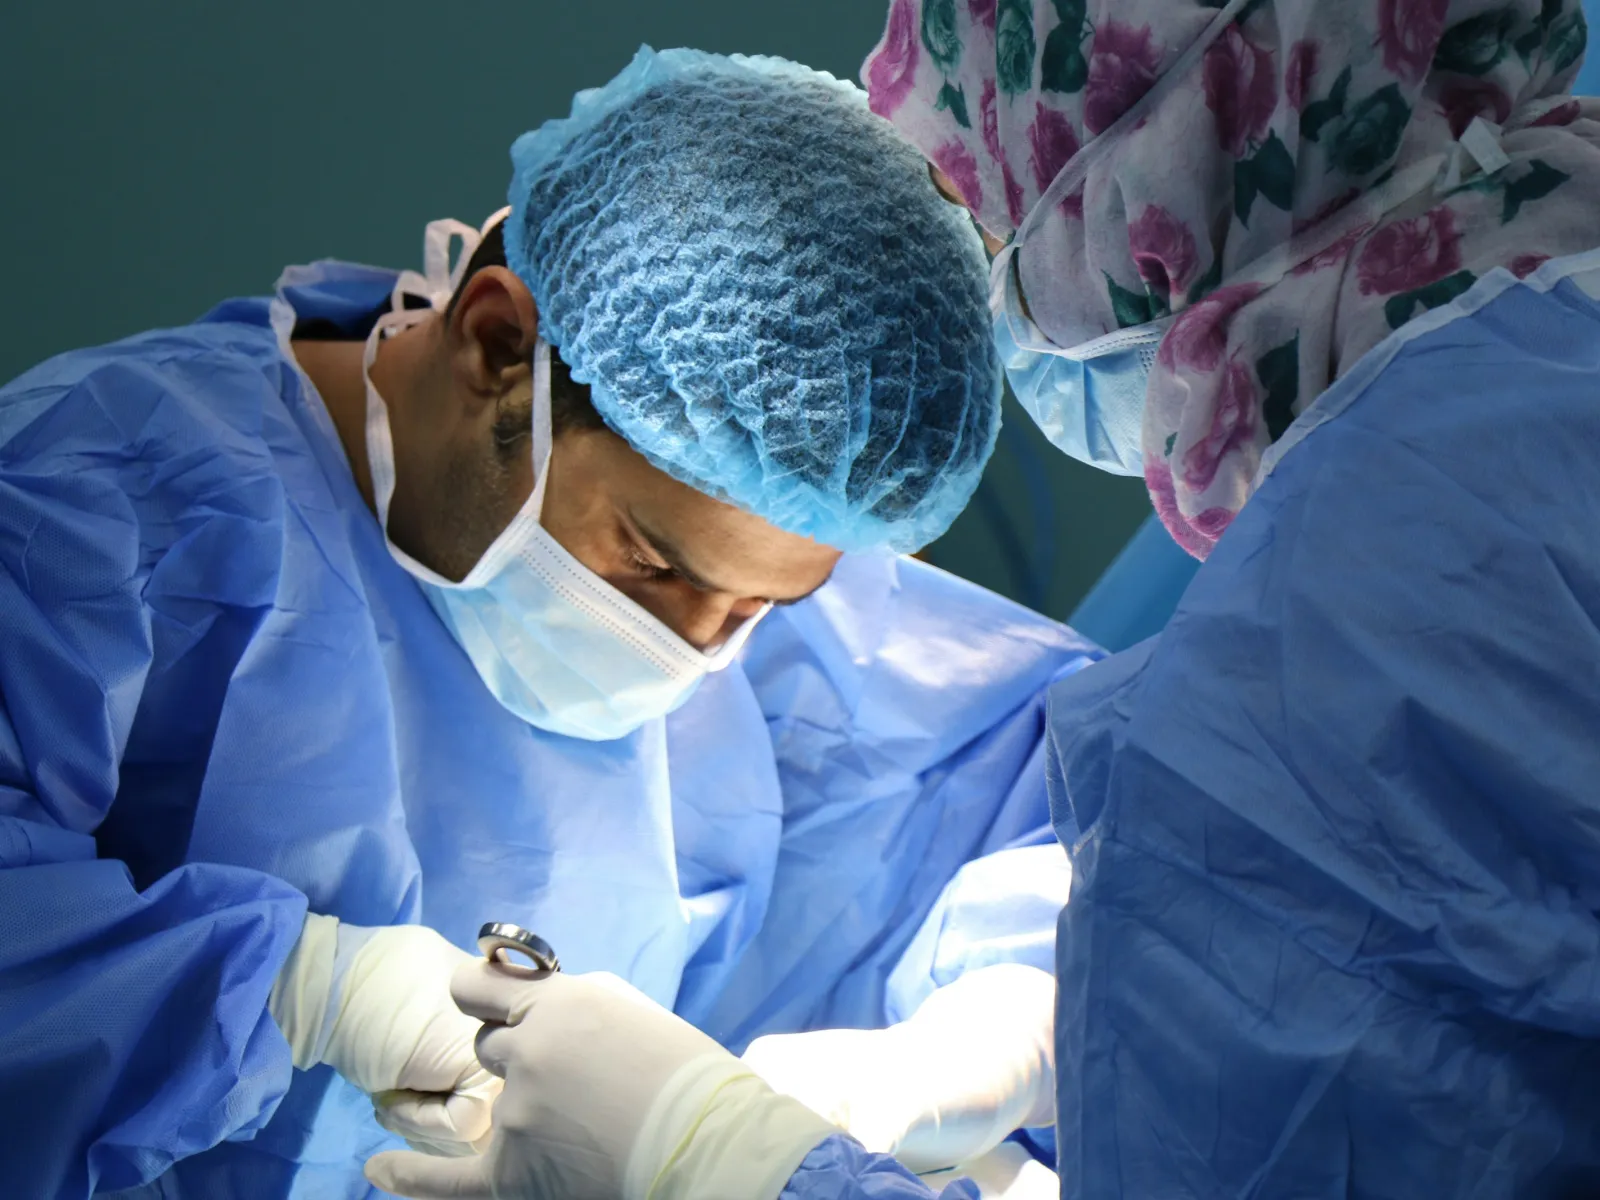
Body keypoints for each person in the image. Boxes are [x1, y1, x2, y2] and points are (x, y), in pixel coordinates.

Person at [371, 2, 1600, 1198]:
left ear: (1137, 225)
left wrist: (722, 1157)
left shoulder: (1383, 579)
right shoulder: (1525, 404)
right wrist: (1037, 1019)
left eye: (990, 227)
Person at [0, 47, 1104, 1198]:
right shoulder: (93, 510)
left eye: (765, 606)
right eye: (651, 566)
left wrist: (994, 1035)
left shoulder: (766, 564)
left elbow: (1067, 813)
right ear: (494, 345)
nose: (701, 646)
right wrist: (298, 989)